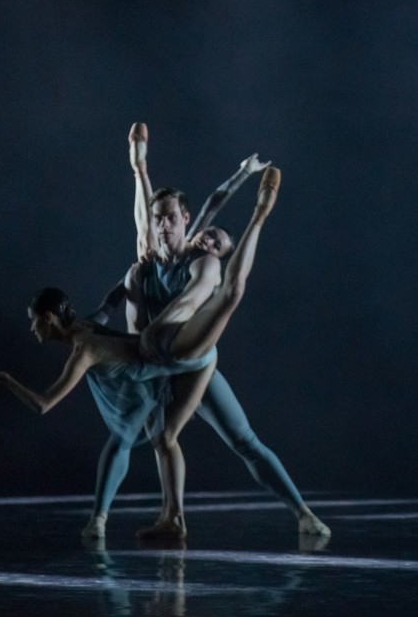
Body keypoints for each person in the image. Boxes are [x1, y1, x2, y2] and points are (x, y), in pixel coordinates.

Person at [0, 168, 280, 523]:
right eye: (210, 237)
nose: (209, 243)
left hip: (176, 356)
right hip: (157, 361)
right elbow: (112, 300)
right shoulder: (113, 302)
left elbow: (45, 404)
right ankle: (166, 519)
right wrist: (129, 280)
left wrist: (140, 167)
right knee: (158, 439)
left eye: (218, 245)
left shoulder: (197, 265)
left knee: (229, 298)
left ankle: (103, 520)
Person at [84, 124, 330, 541]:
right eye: (159, 219)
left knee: (243, 440)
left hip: (193, 359)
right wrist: (102, 321)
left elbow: (208, 216)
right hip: (157, 361)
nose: (164, 226)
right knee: (150, 438)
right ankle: (155, 518)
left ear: (185, 220)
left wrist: (242, 175)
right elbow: (131, 295)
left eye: (172, 219)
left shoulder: (199, 258)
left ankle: (304, 514)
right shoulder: (145, 263)